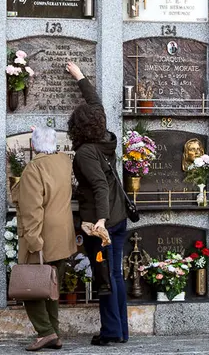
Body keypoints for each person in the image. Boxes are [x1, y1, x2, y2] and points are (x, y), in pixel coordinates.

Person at [66, 62, 130, 346]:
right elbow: (96, 104)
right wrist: (80, 77)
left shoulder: (85, 154)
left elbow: (100, 186)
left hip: (100, 224)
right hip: (118, 217)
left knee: (105, 277)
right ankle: (120, 331)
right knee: (114, 274)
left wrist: (100, 222)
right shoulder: (106, 139)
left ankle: (111, 332)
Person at [13, 126, 76, 352]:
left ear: (32, 146)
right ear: (55, 144)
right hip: (62, 236)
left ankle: (45, 332)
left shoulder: (33, 169)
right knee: (51, 290)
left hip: (42, 237)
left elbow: (32, 211)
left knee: (30, 289)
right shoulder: (63, 162)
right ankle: (54, 334)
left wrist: (33, 241)